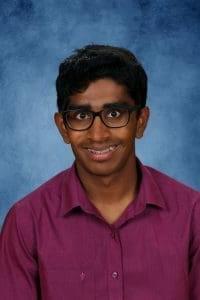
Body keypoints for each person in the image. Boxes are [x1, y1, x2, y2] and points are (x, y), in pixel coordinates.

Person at [0, 44, 199, 300]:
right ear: (63, 127)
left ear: (141, 121)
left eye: (114, 113)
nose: (98, 134)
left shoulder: (193, 216)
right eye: (81, 115)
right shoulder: (26, 223)